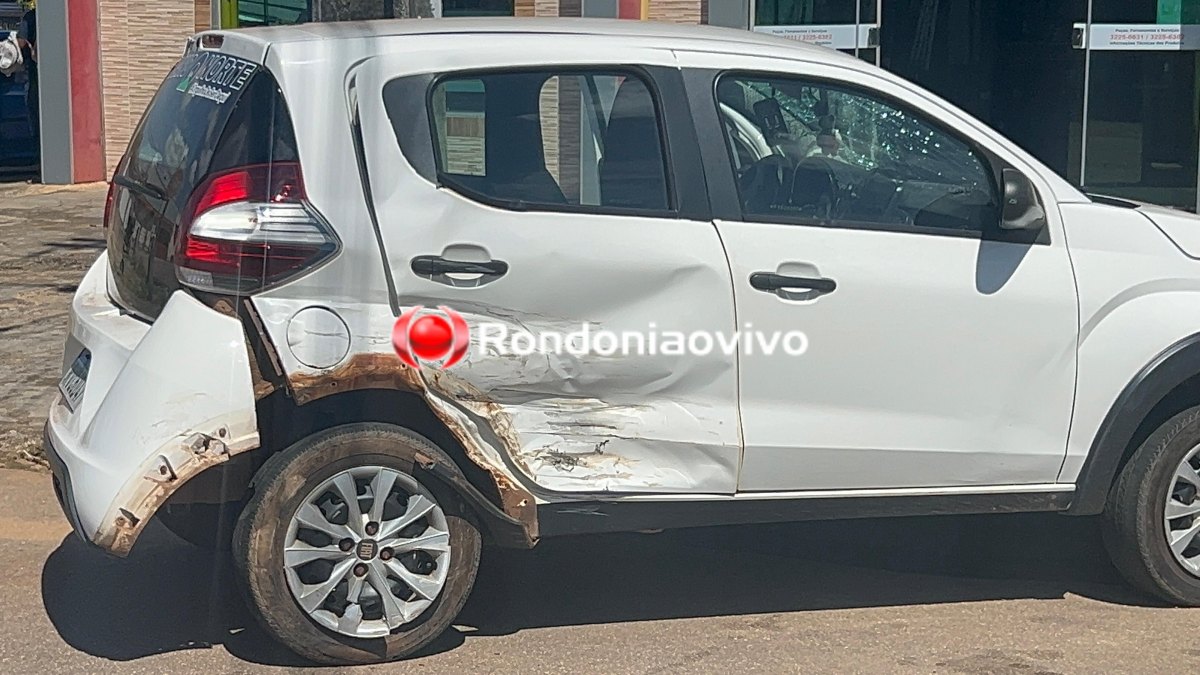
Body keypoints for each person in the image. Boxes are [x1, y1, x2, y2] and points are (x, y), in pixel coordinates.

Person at [16, 3, 37, 140]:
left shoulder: (30, 16)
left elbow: (21, 42)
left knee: (33, 106)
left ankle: (36, 139)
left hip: (33, 72)